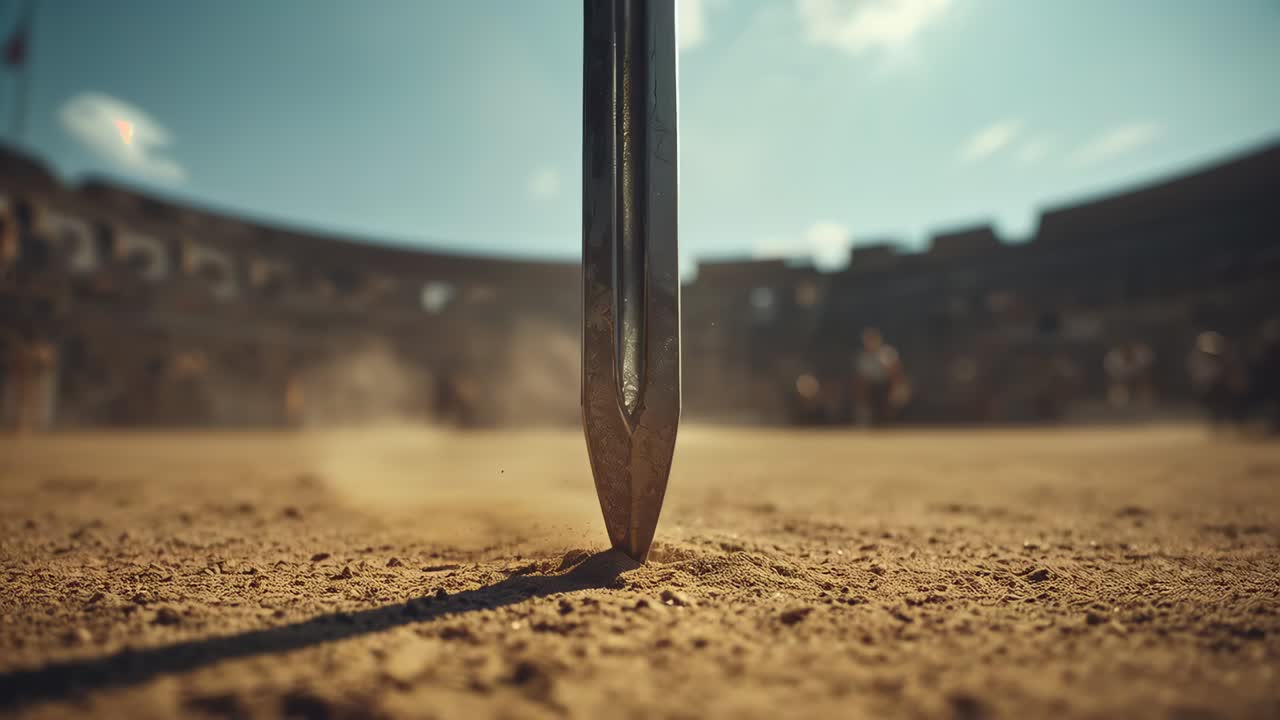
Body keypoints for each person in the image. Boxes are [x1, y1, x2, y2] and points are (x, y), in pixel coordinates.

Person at [852, 328, 910, 427]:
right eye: (868, 340)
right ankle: (864, 417)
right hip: (871, 386)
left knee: (894, 395)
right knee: (861, 387)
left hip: (887, 385)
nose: (871, 343)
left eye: (873, 340)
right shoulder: (862, 357)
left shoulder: (887, 353)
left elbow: (896, 372)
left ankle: (890, 419)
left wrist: (898, 387)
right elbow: (861, 378)